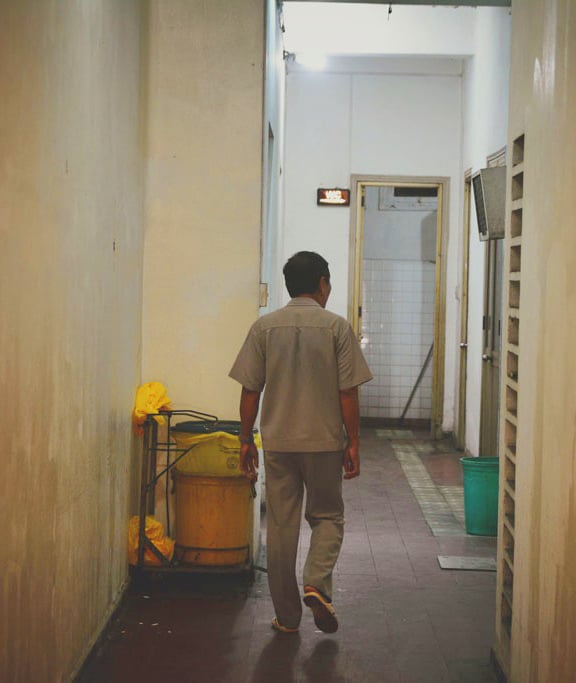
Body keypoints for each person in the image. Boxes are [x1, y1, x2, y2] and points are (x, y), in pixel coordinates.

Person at [229, 251, 372, 634]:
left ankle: (287, 618)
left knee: (280, 525)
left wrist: (246, 439)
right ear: (322, 283)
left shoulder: (264, 328)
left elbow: (250, 390)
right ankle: (316, 582)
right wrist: (353, 442)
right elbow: (348, 392)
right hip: (324, 442)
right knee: (327, 516)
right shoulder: (337, 328)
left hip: (279, 442)